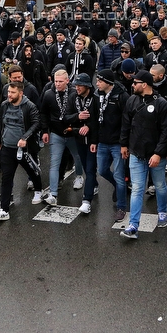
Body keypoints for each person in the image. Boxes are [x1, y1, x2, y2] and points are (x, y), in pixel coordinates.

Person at [119, 69, 167, 240]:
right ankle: (133, 224)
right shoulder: (131, 100)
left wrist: (158, 153)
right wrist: (124, 144)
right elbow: (125, 124)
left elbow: (166, 131)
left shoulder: (162, 103)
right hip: (136, 153)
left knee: (160, 185)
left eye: (135, 83)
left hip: (155, 155)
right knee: (137, 189)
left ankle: (162, 211)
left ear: (145, 84)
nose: (132, 85)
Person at [0, 81, 45, 221]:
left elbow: (36, 123)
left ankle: (39, 190)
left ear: (21, 93)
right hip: (7, 148)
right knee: (6, 178)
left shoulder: (29, 106)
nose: (9, 95)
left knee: (32, 171)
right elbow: (0, 124)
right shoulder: (4, 105)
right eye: (8, 92)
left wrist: (25, 137)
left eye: (12, 92)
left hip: (24, 149)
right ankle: (4, 209)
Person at [40, 69, 85, 205]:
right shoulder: (48, 94)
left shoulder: (73, 94)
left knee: (77, 157)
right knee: (54, 163)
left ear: (67, 80)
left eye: (60, 81)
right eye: (56, 81)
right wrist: (45, 131)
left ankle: (78, 176)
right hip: (56, 133)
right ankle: (53, 193)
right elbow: (44, 114)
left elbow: (79, 112)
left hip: (72, 132)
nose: (58, 84)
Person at [94, 69, 128, 221]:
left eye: (99, 81)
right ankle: (119, 186)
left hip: (117, 143)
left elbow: (127, 121)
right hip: (102, 141)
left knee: (120, 176)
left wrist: (124, 143)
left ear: (108, 82)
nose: (97, 83)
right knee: (102, 170)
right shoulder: (98, 94)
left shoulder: (121, 96)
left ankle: (121, 207)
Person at [72, 73, 101, 214]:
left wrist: (89, 127)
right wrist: (78, 119)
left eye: (79, 85)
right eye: (76, 85)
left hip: (91, 141)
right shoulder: (74, 98)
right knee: (85, 166)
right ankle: (94, 185)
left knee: (90, 169)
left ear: (87, 86)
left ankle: (86, 200)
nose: (77, 88)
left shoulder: (96, 99)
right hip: (79, 139)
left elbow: (98, 120)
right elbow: (67, 117)